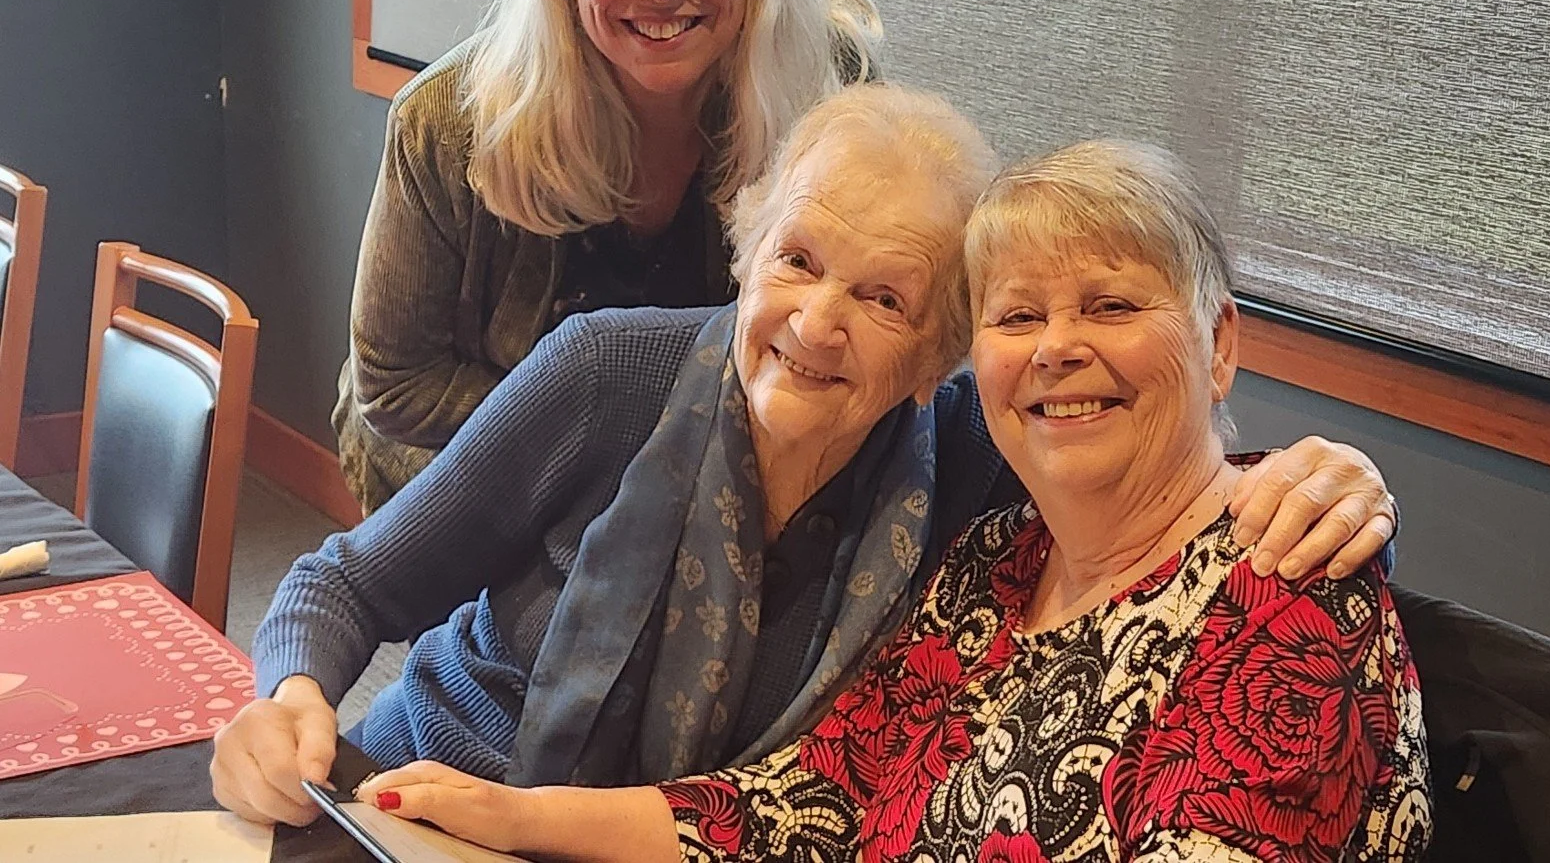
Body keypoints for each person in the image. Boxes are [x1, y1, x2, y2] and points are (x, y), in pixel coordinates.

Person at [213, 88, 1399, 829]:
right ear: (743, 251)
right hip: (424, 809)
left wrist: (1318, 470)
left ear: (942, 347)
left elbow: (1155, 493)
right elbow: (342, 582)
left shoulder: (971, 475)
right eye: (796, 259)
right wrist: (290, 699)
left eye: (883, 295)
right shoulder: (602, 374)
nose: (816, 321)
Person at [336, 0, 883, 512]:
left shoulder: (832, 90)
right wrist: (629, 449)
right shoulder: (443, 122)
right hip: (480, 467)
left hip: (717, 474)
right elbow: (396, 386)